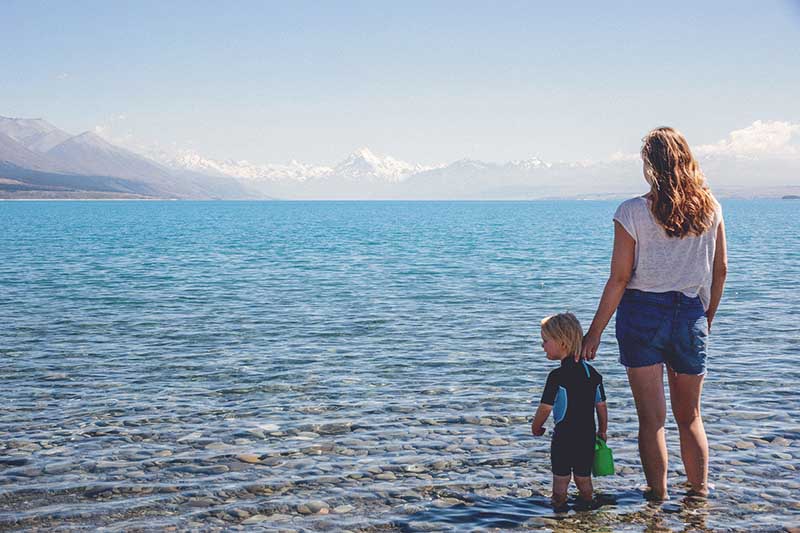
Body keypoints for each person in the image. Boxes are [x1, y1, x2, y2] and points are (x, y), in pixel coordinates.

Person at [580, 127, 728, 501]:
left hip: (642, 314)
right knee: (691, 416)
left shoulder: (631, 212)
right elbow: (721, 269)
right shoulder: (711, 208)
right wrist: (705, 317)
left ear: (650, 165)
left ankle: (658, 497)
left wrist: (594, 333)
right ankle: (698, 497)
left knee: (652, 419)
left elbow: (619, 278)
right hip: (690, 313)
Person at [531, 312, 608, 508]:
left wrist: (536, 427)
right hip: (587, 437)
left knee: (560, 483)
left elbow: (545, 408)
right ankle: (588, 513)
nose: (542, 346)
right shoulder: (593, 374)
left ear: (562, 343)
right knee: (584, 480)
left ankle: (559, 517)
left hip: (564, 439)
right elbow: (601, 407)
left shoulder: (556, 376)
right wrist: (603, 430)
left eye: (545, 341)